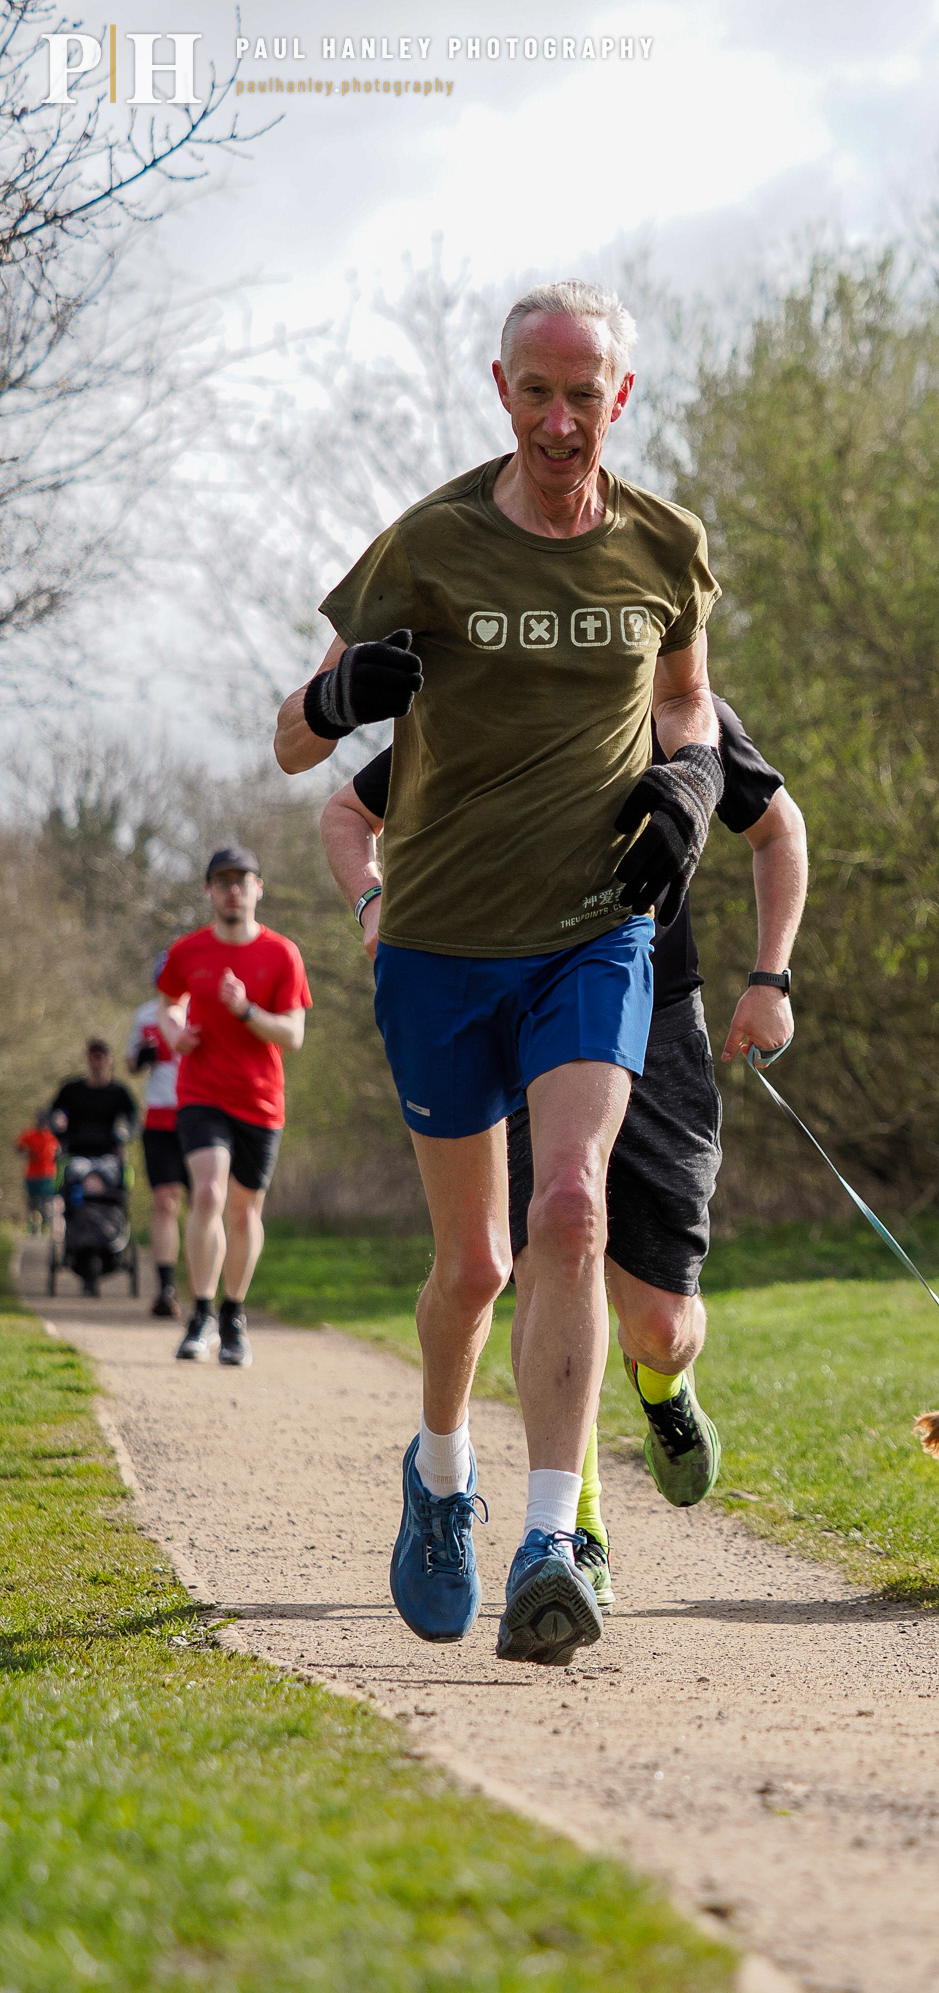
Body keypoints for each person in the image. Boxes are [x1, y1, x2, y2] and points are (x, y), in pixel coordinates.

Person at [273, 278, 723, 1667]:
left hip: (593, 929)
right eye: (538, 391)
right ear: (503, 390)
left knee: (574, 1209)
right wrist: (347, 697)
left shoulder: (667, 546)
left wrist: (693, 779)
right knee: (470, 1265)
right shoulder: (430, 543)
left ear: (622, 400)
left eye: (586, 393)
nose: (561, 418)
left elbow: (688, 696)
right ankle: (440, 1474)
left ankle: (551, 1538)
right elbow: (296, 745)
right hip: (439, 946)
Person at [322, 694, 807, 1607]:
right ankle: (573, 1529)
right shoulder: (492, 693)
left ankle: (661, 1389)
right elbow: (347, 809)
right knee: (555, 1240)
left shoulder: (683, 715)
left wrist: (771, 978)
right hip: (515, 1009)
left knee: (662, 1322)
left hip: (657, 1016)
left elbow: (779, 832)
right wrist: (375, 906)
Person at [157, 847, 311, 1368]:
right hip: (201, 1093)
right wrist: (175, 1031)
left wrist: (245, 1009)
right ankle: (199, 1313)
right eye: (222, 881)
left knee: (244, 1212)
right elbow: (168, 1003)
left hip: (261, 1101)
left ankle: (233, 1314)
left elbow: (293, 1034)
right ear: (208, 891)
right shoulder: (187, 951)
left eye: (241, 880)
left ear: (258, 888)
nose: (232, 890)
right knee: (208, 1190)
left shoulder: (282, 953)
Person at [129, 957, 188, 1318]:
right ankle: (166, 1289)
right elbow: (130, 1065)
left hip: (200, 1114)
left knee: (208, 1204)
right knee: (165, 1202)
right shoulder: (145, 1016)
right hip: (159, 1117)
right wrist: (140, 1057)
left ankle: (206, 1290)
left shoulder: (204, 1010)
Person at [50, 1038, 138, 1160]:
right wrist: (57, 1128)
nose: (96, 1062)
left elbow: (133, 1118)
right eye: (92, 1056)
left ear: (109, 1059)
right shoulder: (70, 1090)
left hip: (109, 1155)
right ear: (85, 1059)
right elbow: (52, 1114)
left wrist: (126, 1133)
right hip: (74, 1154)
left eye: (100, 1057)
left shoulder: (119, 1092)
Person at [14, 1111, 59, 1234]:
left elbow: (59, 1150)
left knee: (46, 1202)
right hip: (32, 1174)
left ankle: (46, 1227)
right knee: (32, 1202)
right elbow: (18, 1146)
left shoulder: (51, 1136)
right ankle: (32, 1229)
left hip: (47, 1174)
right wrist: (27, 1152)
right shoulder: (29, 1135)